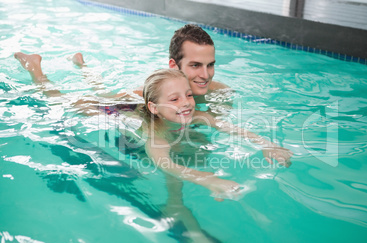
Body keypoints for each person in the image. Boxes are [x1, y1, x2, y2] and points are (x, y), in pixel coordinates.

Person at [14, 52, 292, 199]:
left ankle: (82, 65)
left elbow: (236, 129)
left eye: (188, 96)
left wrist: (268, 145)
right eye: (175, 98)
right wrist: (207, 178)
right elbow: (166, 164)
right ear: (155, 109)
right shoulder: (154, 134)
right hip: (117, 112)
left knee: (108, 89)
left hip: (141, 103)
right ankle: (34, 66)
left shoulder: (197, 116)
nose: (186, 103)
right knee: (59, 99)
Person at [131, 24, 229, 106]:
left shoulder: (221, 92)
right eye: (195, 65)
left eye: (210, 65)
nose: (205, 75)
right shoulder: (140, 98)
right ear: (174, 66)